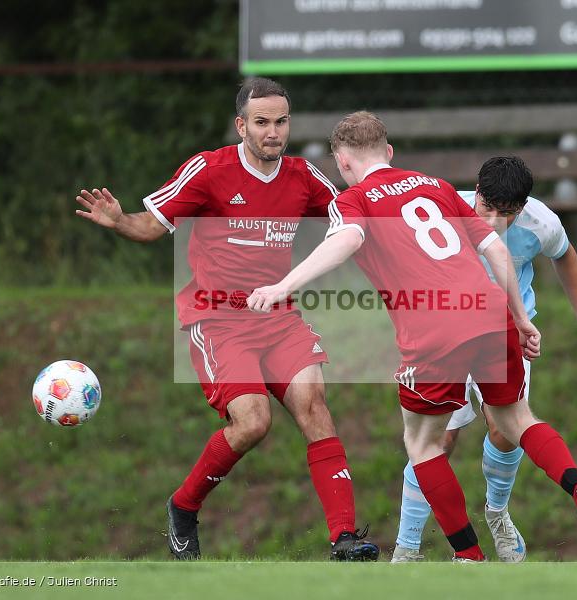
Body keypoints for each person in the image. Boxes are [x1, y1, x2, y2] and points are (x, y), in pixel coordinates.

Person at [249, 112, 577, 562]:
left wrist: (283, 286)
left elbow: (348, 239)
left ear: (342, 162)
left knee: (424, 445)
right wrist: (520, 318)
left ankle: (469, 556)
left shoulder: (353, 198)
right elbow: (495, 249)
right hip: (492, 315)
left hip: (433, 333)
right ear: (389, 151)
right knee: (517, 420)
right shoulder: (436, 186)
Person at [74, 78, 378, 561]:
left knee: (315, 407)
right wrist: (120, 220)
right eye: (262, 122)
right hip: (217, 319)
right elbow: (150, 226)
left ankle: (344, 539)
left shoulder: (303, 176)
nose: (273, 132)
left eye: (281, 122)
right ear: (241, 126)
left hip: (277, 315)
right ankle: (183, 506)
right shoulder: (209, 170)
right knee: (253, 422)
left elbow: (354, 216)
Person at [392, 156, 577, 563]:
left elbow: (565, 255)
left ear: (523, 206)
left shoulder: (541, 222)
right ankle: (406, 547)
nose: (495, 221)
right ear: (476, 192)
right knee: (438, 441)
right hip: (444, 339)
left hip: (508, 335)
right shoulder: (444, 214)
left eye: (507, 213)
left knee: (505, 430)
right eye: (488, 208)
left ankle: (496, 513)